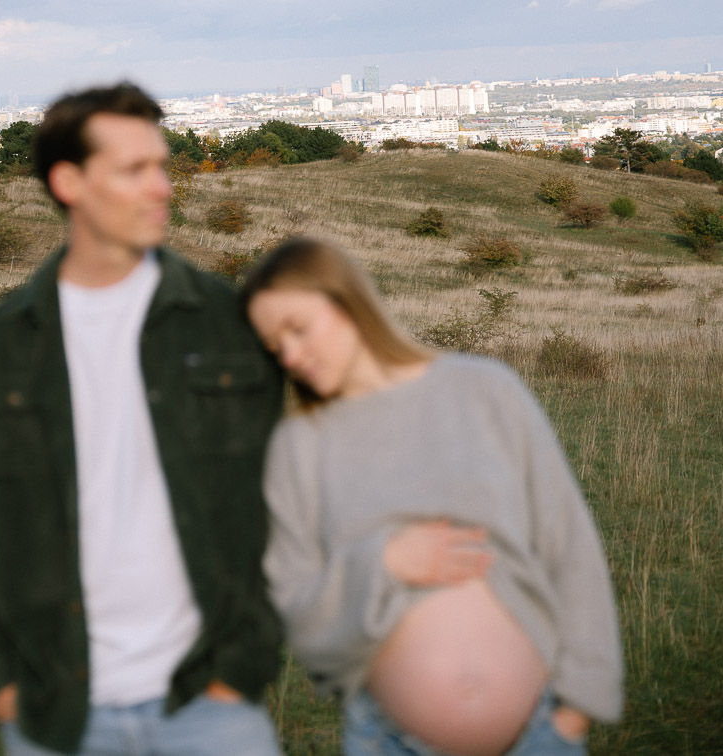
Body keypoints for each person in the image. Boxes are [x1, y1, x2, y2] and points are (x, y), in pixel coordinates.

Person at [0, 83, 284, 756]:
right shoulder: (1, 341)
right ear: (68, 181)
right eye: (133, 170)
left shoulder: (224, 322)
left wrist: (244, 666)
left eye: (162, 165)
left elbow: (283, 497)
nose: (163, 187)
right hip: (54, 710)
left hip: (208, 704)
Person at [243, 237, 622, 756]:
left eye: (298, 329)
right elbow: (298, 613)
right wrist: (382, 563)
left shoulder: (485, 390)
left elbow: (568, 545)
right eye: (272, 345)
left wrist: (577, 711)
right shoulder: (297, 449)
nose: (289, 355)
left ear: (348, 302)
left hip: (538, 735)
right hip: (387, 740)